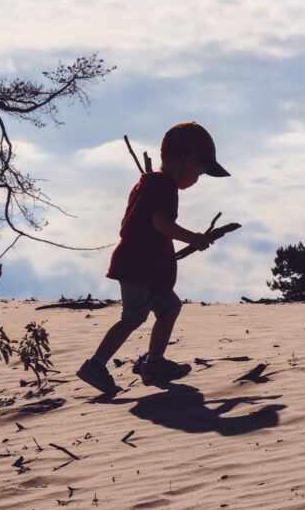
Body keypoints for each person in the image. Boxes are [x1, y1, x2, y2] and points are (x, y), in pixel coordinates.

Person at [77, 121, 230, 396]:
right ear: (190, 161)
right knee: (133, 317)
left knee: (170, 307)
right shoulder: (163, 186)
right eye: (200, 173)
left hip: (148, 270)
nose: (197, 181)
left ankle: (154, 363)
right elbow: (161, 224)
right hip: (138, 268)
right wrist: (193, 238)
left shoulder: (150, 183)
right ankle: (95, 364)